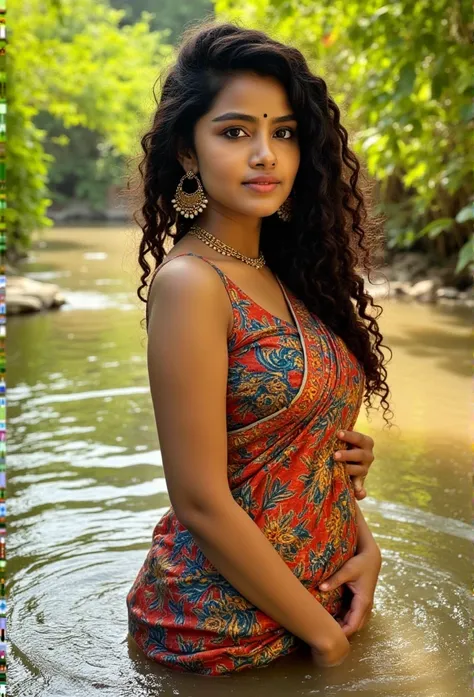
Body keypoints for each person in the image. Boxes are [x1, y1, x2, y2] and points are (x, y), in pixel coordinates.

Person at [127, 20, 391, 676]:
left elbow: (300, 442)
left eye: (284, 133)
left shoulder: (285, 274)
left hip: (324, 605)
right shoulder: (193, 283)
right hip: (221, 634)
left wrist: (366, 543)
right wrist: (325, 643)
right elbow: (199, 499)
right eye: (235, 131)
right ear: (189, 153)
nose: (265, 154)